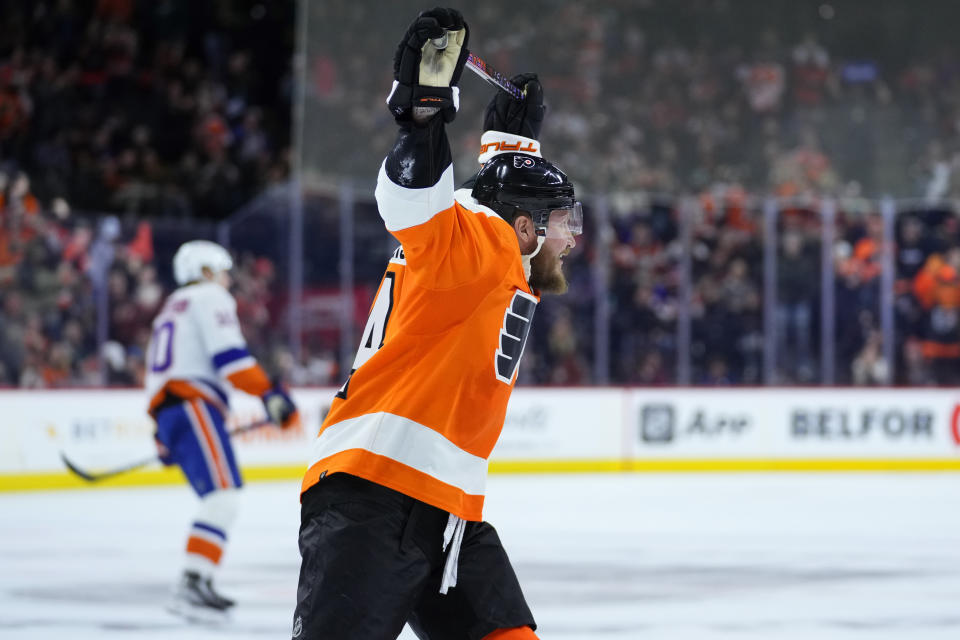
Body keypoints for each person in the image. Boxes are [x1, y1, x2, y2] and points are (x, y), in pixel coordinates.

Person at [291, 8, 581, 640]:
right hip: (374, 494)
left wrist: (513, 145)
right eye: (563, 222)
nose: (571, 239)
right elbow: (412, 202)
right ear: (525, 228)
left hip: (448, 509)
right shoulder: (484, 247)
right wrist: (422, 117)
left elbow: (479, 198)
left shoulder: (484, 247)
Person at [145, 239, 298, 622]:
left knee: (220, 497)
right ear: (206, 272)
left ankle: (199, 579)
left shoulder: (170, 307)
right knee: (223, 496)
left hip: (175, 409)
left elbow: (161, 374)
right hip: (193, 404)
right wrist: (269, 393)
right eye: (222, 270)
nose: (228, 279)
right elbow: (230, 359)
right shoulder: (209, 297)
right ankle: (192, 582)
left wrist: (162, 429)